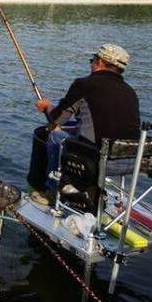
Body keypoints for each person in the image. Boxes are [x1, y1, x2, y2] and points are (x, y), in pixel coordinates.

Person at [26, 44, 140, 206]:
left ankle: (52, 191)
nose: (91, 63)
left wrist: (47, 107)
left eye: (92, 60)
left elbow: (57, 118)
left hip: (98, 160)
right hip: (128, 161)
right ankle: (89, 187)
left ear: (99, 62)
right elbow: (102, 124)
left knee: (53, 135)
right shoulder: (130, 91)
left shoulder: (84, 84)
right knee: (68, 129)